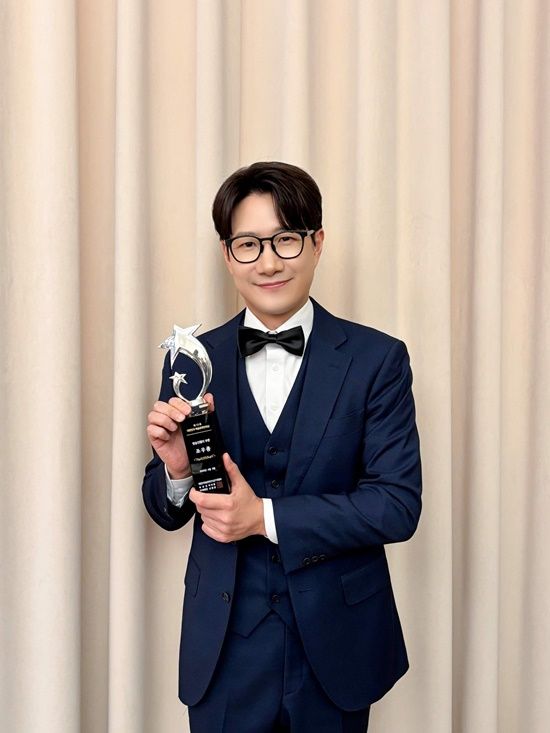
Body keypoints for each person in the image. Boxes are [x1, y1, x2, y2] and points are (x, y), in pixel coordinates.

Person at [142, 161, 422, 732]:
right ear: (228, 256)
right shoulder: (192, 360)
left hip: (337, 641)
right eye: (248, 244)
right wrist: (177, 473)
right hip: (224, 646)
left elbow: (396, 505)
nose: (268, 262)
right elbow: (165, 510)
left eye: (285, 239)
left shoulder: (378, 360)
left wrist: (263, 517)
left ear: (317, 243)